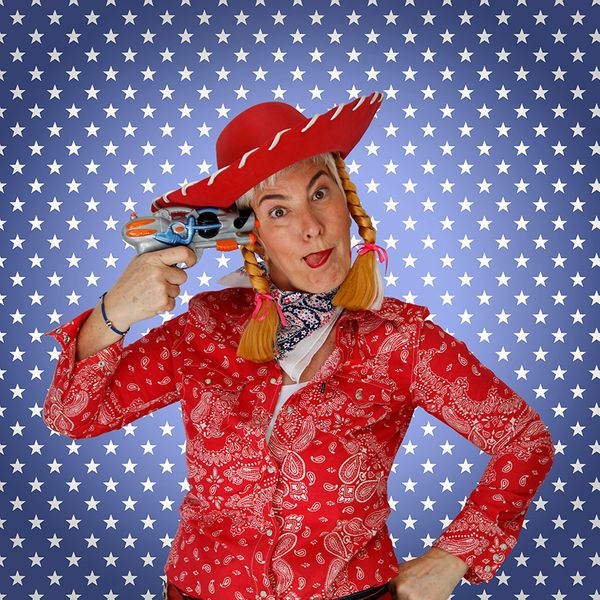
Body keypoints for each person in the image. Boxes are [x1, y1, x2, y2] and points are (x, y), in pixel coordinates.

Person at [43, 92, 555, 600]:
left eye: (319, 193)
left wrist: (451, 557)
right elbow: (72, 417)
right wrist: (114, 312)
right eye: (278, 210)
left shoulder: (402, 341)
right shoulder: (202, 331)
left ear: (348, 201)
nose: (312, 228)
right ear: (250, 234)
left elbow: (524, 440)